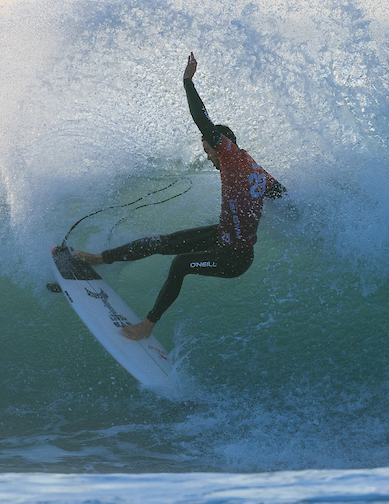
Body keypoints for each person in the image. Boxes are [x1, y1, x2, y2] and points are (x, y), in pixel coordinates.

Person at [75, 52, 285, 340]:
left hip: (234, 258)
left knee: (180, 264)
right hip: (222, 236)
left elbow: (202, 119)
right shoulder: (256, 171)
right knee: (161, 243)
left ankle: (147, 326)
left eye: (208, 151)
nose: (208, 158)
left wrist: (187, 82)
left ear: (220, 146)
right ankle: (100, 258)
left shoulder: (231, 156)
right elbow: (282, 195)